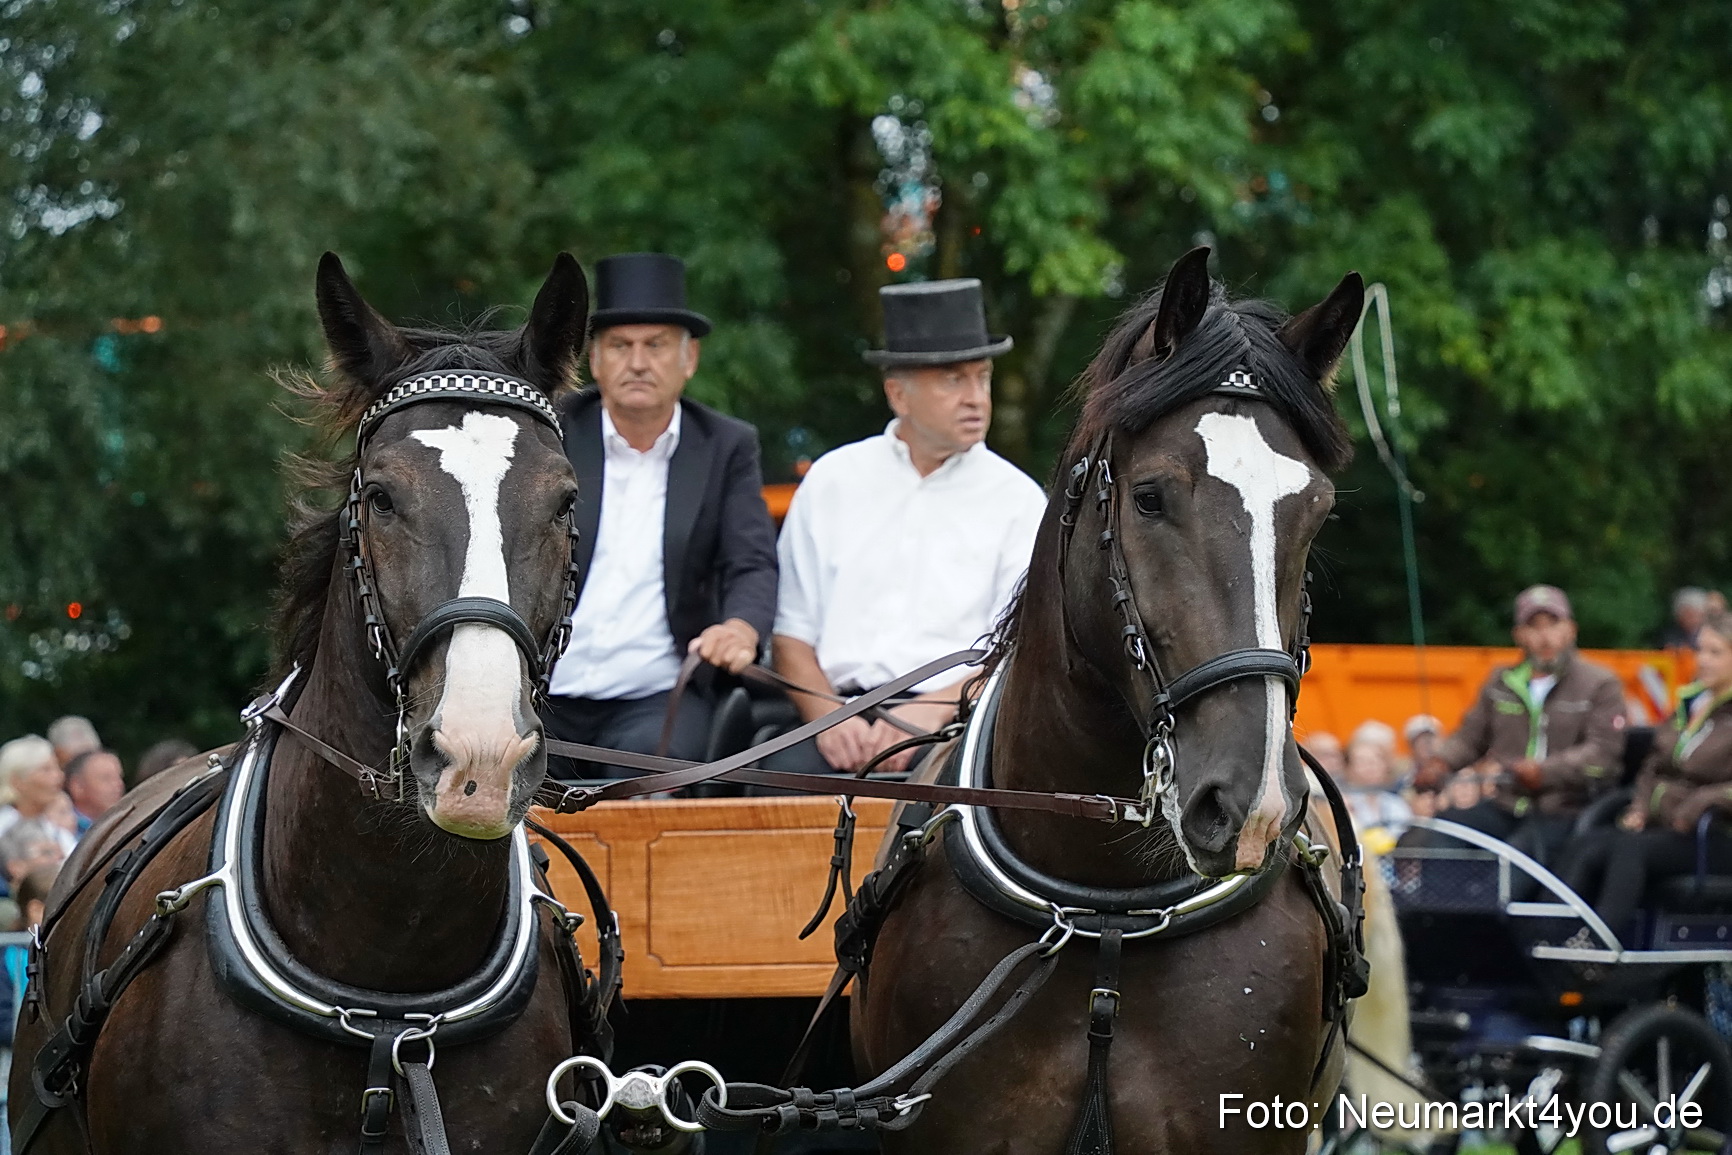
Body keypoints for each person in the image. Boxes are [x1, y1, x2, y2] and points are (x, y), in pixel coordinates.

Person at [771, 278, 1045, 774]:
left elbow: (1021, 648)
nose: (976, 398)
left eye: (982, 378)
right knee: (763, 790)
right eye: (953, 381)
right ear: (898, 394)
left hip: (958, 720)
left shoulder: (1018, 500)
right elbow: (791, 634)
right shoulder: (832, 480)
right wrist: (826, 718)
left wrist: (932, 710)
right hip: (833, 713)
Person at [545, 253, 778, 777]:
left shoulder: (725, 445)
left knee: (649, 785)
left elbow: (751, 561)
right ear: (594, 361)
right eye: (620, 346)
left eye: (656, 345)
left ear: (689, 358)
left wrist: (741, 628)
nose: (638, 362)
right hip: (541, 685)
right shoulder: (551, 433)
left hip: (660, 691)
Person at [1416, 585, 1625, 862]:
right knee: (1445, 831)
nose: (1545, 636)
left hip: (1567, 809)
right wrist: (1440, 763)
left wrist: (1545, 772)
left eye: (1552, 624)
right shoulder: (1501, 682)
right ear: (1519, 635)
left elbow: (1603, 753)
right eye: (1534, 626)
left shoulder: (1600, 684)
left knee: (1512, 862)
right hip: (1507, 804)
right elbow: (1470, 737)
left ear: (1571, 630)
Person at [1563, 609, 1732, 941]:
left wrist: (1703, 801)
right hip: (1664, 828)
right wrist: (1640, 807)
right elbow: (1653, 765)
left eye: (1715, 652)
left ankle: (1599, 947)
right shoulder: (1689, 705)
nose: (1703, 660)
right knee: (1589, 844)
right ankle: (1549, 936)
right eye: (1700, 650)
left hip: (1715, 835)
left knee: (1630, 852)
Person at [0, 736, 77, 856]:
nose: (59, 776)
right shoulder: (3, 828)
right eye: (46, 770)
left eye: (57, 768)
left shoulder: (57, 830)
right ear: (18, 781)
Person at [63, 748, 126, 831]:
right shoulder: (62, 828)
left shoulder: (125, 823)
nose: (118, 784)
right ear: (77, 786)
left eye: (119, 777)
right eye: (106, 778)